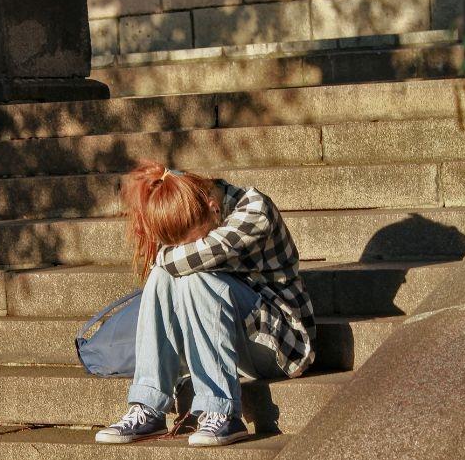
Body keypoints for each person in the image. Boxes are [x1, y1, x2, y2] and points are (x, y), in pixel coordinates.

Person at [94, 160, 316, 447]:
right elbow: (173, 264)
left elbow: (178, 260)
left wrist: (166, 256)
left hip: (281, 345)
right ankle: (148, 405)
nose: (187, 247)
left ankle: (221, 412)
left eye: (193, 240)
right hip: (233, 343)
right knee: (166, 277)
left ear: (213, 207)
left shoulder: (254, 210)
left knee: (192, 275)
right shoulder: (192, 207)